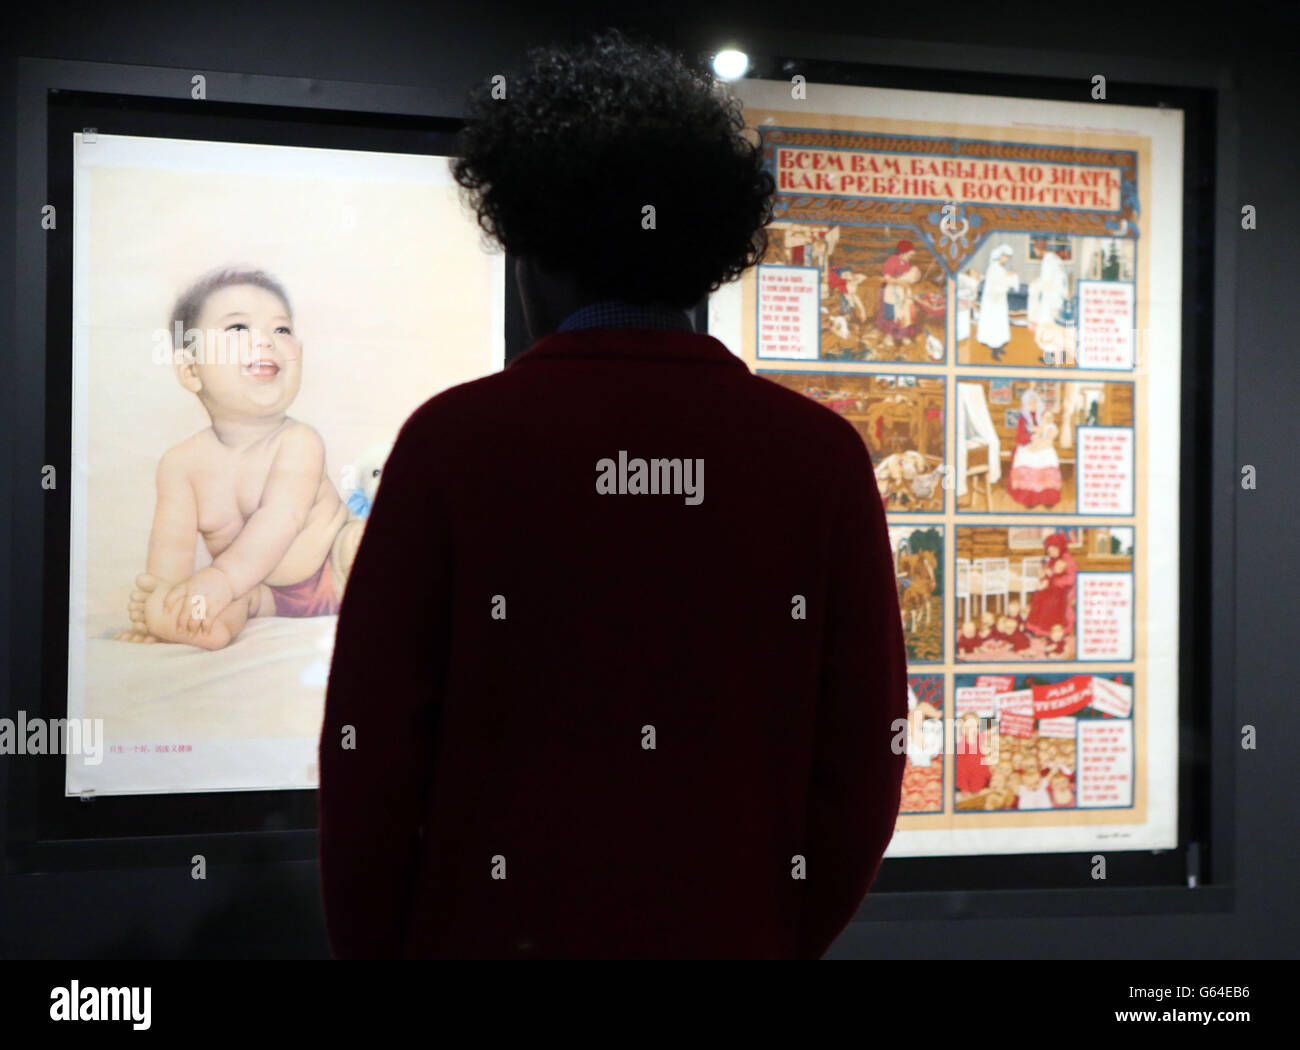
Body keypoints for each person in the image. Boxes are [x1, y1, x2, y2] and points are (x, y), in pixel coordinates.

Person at [317, 29, 908, 961]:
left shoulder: (451, 446)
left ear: (528, 244)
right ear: (710, 247)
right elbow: (863, 773)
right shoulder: (818, 459)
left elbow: (370, 761)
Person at [116, 268, 365, 650]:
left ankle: (398, 600)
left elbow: (280, 521)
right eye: (238, 329)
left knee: (365, 541)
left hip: (338, 566)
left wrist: (220, 580)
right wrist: (166, 600)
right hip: (262, 593)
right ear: (190, 370)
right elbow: (172, 550)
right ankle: (197, 627)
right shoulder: (180, 464)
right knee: (213, 605)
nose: (266, 340)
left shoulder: (299, 442)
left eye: (281, 330)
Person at [975, 244, 1016, 360]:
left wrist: (1008, 277)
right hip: (993, 301)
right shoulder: (994, 268)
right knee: (995, 324)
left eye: (1009, 257)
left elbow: (1001, 281)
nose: (1007, 259)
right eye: (1006, 256)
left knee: (1000, 323)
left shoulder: (1000, 268)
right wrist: (1007, 282)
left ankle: (999, 346)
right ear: (1000, 256)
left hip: (999, 300)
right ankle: (994, 351)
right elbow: (995, 286)